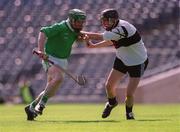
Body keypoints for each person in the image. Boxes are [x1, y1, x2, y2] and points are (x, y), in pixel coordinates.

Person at [82, 8, 148, 120]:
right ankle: (112, 103)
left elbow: (101, 36)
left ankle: (129, 114)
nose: (104, 23)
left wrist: (77, 31)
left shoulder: (123, 28)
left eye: (107, 20)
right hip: (122, 59)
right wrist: (93, 46)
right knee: (108, 86)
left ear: (114, 20)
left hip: (138, 62)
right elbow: (111, 40)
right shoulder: (115, 29)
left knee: (129, 93)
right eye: (103, 20)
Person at [24, 9, 86, 121]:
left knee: (50, 91)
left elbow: (75, 38)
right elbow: (43, 32)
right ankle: (41, 105)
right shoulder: (61, 27)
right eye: (78, 21)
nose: (81, 24)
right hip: (50, 57)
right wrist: (41, 51)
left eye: (82, 22)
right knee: (59, 78)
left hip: (63, 60)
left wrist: (81, 39)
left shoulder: (75, 30)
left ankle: (31, 107)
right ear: (72, 20)